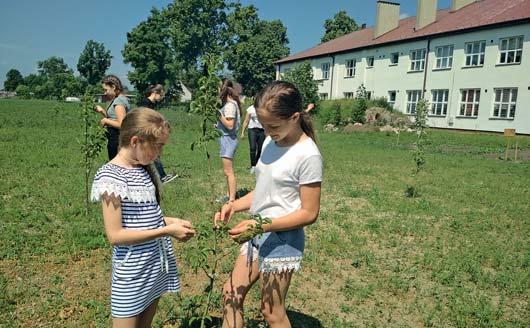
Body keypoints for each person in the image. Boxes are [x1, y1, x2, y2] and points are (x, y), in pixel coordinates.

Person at [214, 81, 323, 328]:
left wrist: (261, 226)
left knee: (271, 311)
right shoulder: (270, 142)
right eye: (263, 125)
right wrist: (234, 204)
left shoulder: (308, 155)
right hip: (258, 233)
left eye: (272, 125)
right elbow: (264, 191)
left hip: (283, 239)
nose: (266, 130)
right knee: (230, 294)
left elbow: (309, 213)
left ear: (295, 117)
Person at [90, 108, 195, 327]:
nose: (160, 153)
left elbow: (143, 218)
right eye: (158, 146)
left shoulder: (142, 169)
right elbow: (115, 235)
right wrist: (166, 231)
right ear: (136, 141)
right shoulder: (111, 177)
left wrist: (169, 221)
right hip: (132, 272)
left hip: (153, 265)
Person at [137, 84, 177, 184]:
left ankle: (158, 176)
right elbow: (143, 119)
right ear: (155, 93)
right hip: (145, 132)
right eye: (161, 95)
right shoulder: (145, 103)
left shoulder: (151, 104)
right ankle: (160, 176)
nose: (161, 98)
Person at [94, 75, 131, 160]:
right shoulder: (118, 99)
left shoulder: (119, 101)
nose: (105, 93)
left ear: (113, 87)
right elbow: (114, 118)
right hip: (115, 138)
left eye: (105, 90)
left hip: (117, 139)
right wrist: (103, 112)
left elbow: (122, 124)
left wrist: (105, 121)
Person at [216, 79, 242, 202]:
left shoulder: (230, 106)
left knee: (228, 171)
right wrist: (218, 126)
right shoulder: (230, 104)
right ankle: (229, 194)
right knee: (227, 171)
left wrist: (218, 115)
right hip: (226, 139)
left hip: (228, 140)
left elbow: (230, 125)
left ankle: (231, 199)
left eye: (218, 89)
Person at [240, 101, 265, 174]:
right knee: (253, 148)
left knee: (260, 149)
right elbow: (246, 121)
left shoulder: (264, 109)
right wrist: (242, 132)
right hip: (252, 130)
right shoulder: (250, 109)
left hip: (261, 131)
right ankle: (253, 166)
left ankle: (257, 164)